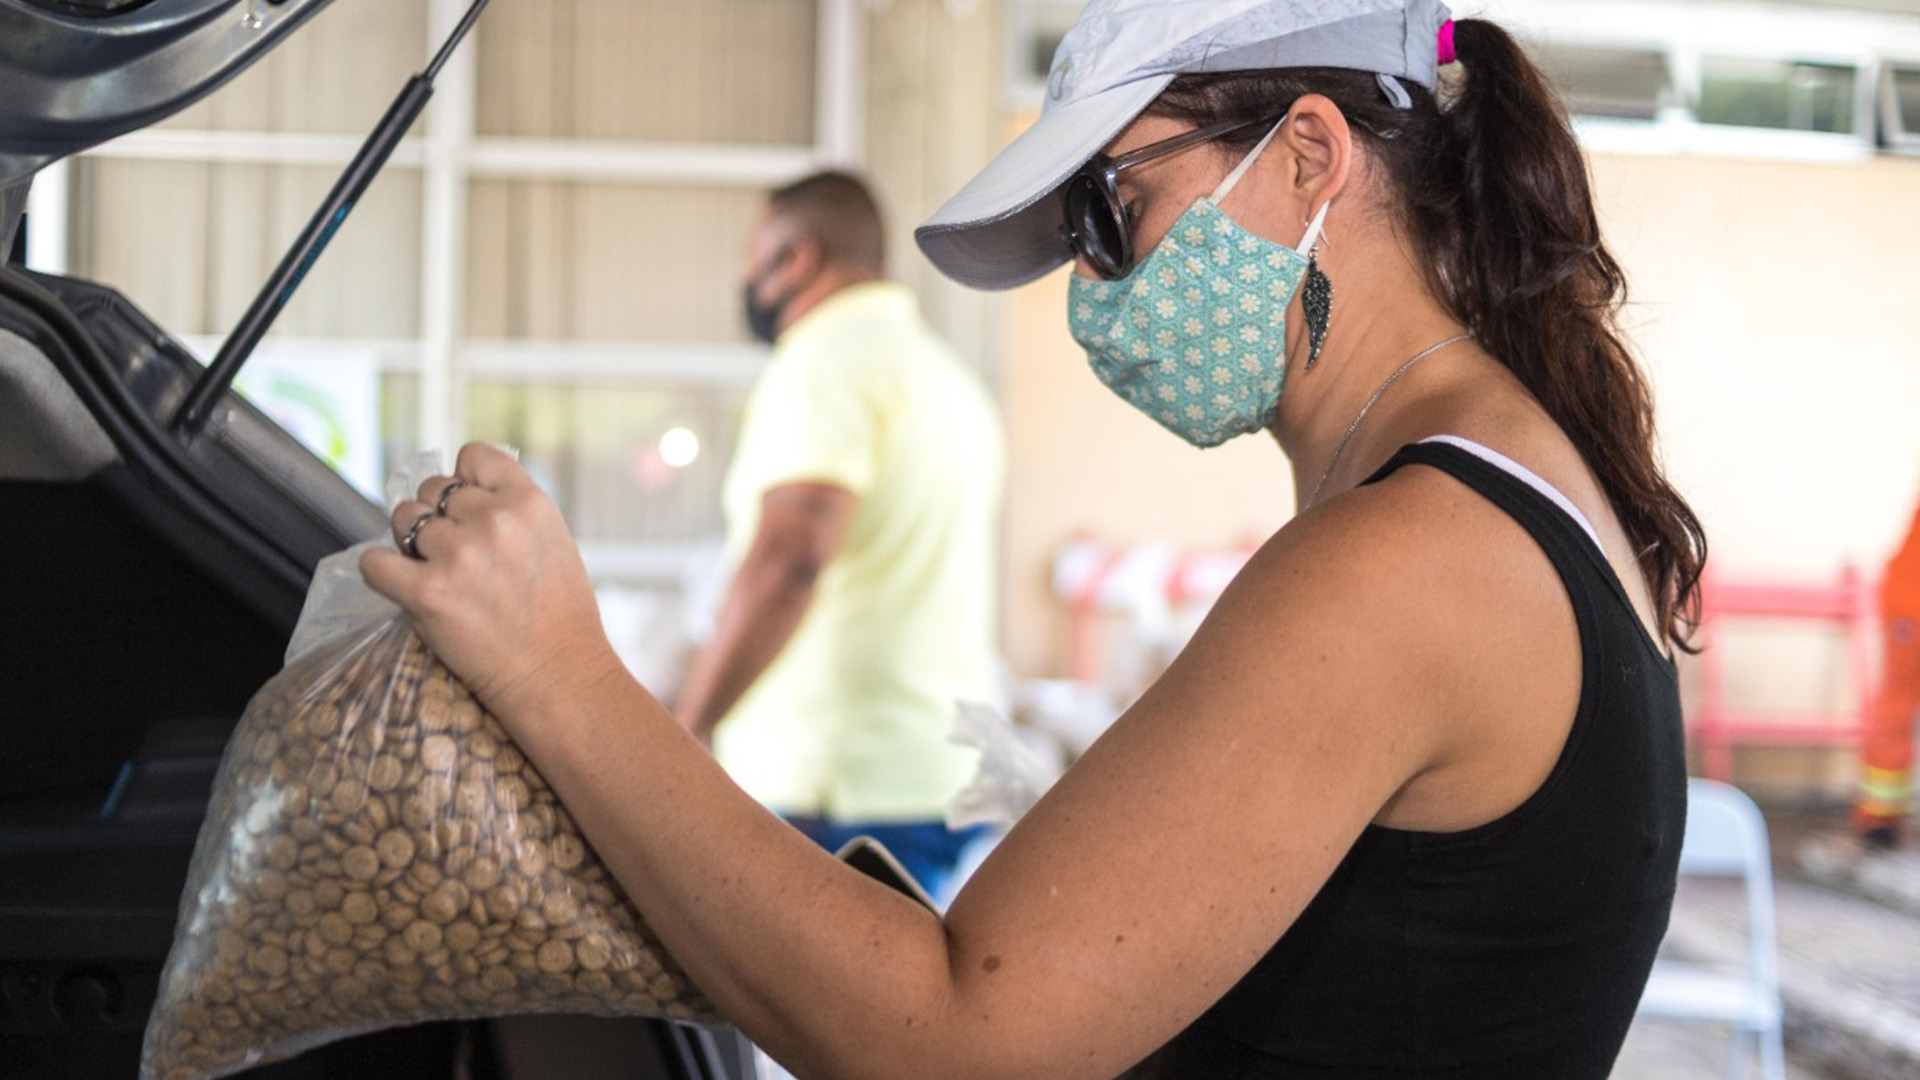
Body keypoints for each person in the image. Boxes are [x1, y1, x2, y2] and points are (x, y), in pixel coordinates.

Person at [362, 2, 1707, 1076]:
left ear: (1311, 152)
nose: (1094, 291)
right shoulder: (1512, 487)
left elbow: (949, 1047)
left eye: (1107, 213)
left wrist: (560, 676)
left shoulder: (1409, 560)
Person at [674, 170, 1005, 899]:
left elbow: (789, 558)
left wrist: (685, 731)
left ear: (797, 260)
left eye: (750, 253)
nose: (743, 274)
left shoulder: (825, 360)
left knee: (792, 1015)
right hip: (934, 776)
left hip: (835, 790)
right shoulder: (945, 378)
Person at [1858, 493, 1920, 850]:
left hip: (1908, 600)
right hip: (1911, 607)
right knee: (1897, 709)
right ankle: (1879, 821)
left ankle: (1882, 818)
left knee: (1897, 709)